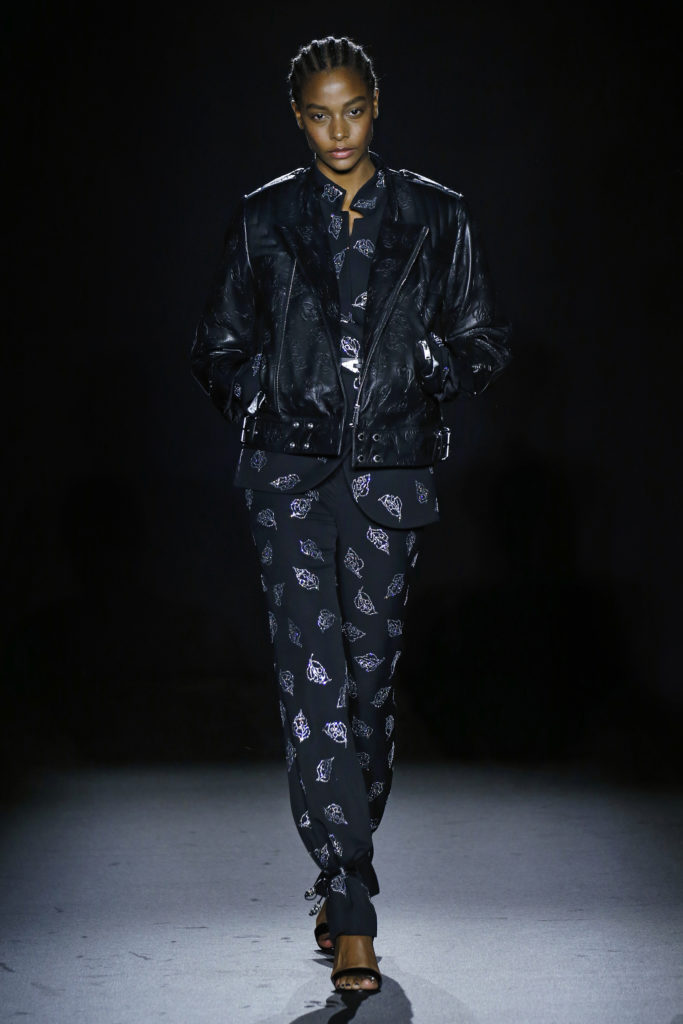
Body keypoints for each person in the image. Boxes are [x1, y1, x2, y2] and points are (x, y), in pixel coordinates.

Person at [191, 35, 511, 993]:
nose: (339, 131)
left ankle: (340, 873)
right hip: (290, 478)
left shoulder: (438, 216)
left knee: (367, 693)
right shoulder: (263, 217)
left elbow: (483, 337)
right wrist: (262, 396)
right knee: (315, 688)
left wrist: (428, 369)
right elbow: (216, 345)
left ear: (377, 104)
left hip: (388, 473)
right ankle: (352, 899)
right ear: (297, 117)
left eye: (354, 110)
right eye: (320, 114)